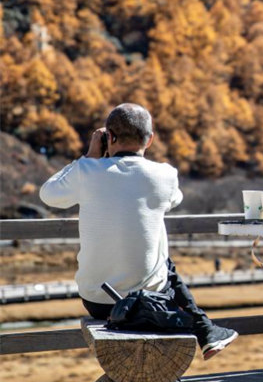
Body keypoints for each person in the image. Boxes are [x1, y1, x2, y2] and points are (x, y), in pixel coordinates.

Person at [39, 103, 238, 360]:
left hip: (97, 301)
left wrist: (89, 157)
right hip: (148, 300)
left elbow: (48, 193)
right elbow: (173, 199)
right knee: (162, 259)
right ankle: (206, 331)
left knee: (161, 258)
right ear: (150, 139)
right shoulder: (165, 175)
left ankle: (206, 331)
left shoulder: (87, 172)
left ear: (108, 138)